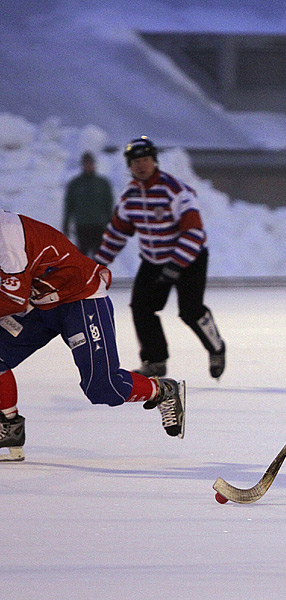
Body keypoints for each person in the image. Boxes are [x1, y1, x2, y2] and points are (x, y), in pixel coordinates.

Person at [0, 210, 186, 461]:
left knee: (103, 387)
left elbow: (13, 299)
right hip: (40, 302)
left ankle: (162, 389)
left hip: (79, 299)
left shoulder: (7, 236)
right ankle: (8, 427)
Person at [94, 136, 226, 380]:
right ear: (129, 166)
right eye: (135, 162)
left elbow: (194, 232)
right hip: (154, 260)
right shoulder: (130, 196)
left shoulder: (175, 190)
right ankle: (155, 361)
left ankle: (216, 348)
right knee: (142, 308)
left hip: (190, 257)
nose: (141, 166)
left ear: (154, 161)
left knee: (190, 310)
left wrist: (176, 266)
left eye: (145, 160)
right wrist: (97, 265)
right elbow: (117, 233)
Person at [62, 151, 115, 257]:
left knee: (99, 256)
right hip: (82, 225)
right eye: (86, 163)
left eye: (90, 163)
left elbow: (108, 204)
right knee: (83, 256)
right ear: (82, 165)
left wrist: (111, 223)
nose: (88, 166)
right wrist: (66, 224)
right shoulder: (75, 183)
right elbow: (69, 205)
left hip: (99, 225)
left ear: (94, 164)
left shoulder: (102, 183)